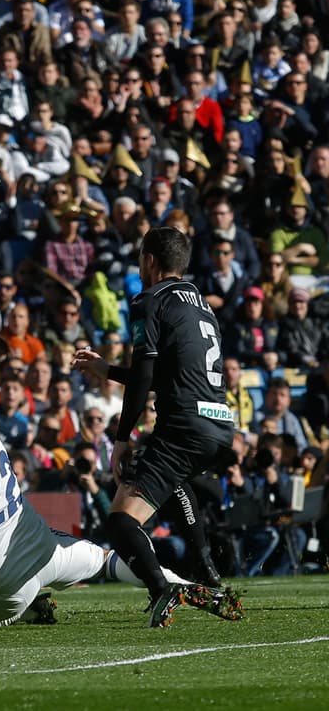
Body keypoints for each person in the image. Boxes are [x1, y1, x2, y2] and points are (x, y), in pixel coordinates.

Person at [0, 358, 239, 629]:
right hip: (45, 550)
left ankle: (23, 610)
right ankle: (185, 586)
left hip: (5, 586)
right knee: (106, 560)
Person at [73, 227, 244, 626]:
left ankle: (161, 588)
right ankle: (206, 572)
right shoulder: (202, 305)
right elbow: (165, 374)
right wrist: (107, 370)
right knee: (174, 481)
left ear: (149, 260)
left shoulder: (150, 299)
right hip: (220, 424)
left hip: (184, 424)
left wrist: (121, 438)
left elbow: (144, 376)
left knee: (120, 521)